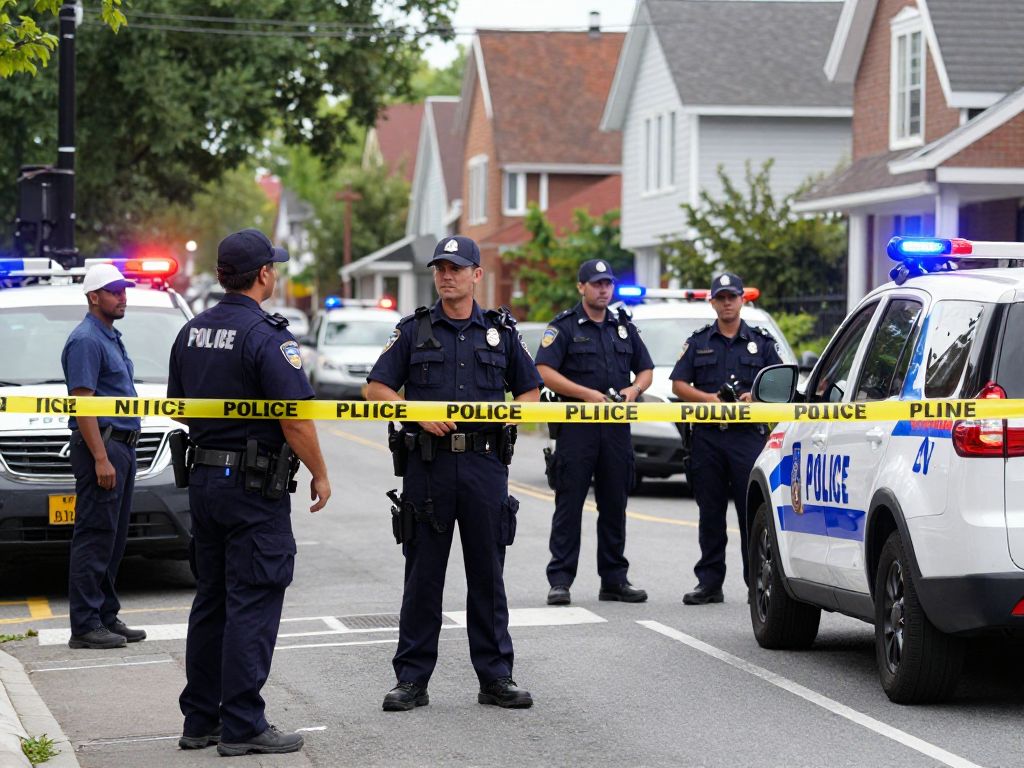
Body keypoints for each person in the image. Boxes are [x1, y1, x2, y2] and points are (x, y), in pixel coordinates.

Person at [167, 228, 331, 757]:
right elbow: (297, 419)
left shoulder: (190, 333)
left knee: (211, 600)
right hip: (254, 489)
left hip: (206, 484)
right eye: (273, 266)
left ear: (219, 275)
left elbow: (178, 408)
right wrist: (321, 473)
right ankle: (242, 724)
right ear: (263, 274)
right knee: (253, 601)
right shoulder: (268, 336)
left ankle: (201, 720)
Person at [366, 235, 542, 712]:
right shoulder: (414, 330)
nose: (447, 275)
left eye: (457, 268)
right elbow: (376, 386)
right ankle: (412, 680)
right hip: (429, 465)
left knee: (488, 574)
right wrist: (414, 413)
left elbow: (530, 390)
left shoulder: (501, 333)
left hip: (485, 465)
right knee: (424, 576)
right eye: (441, 268)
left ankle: (496, 677)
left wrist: (512, 416)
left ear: (476, 276)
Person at [534, 259, 654, 606]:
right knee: (569, 505)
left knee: (614, 506)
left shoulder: (622, 327)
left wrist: (632, 391)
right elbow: (544, 370)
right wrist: (585, 394)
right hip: (577, 429)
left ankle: (614, 580)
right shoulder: (565, 327)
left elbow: (645, 369)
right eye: (596, 284)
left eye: (607, 284)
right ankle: (560, 580)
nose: (603, 289)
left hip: (615, 429)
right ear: (581, 287)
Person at [670, 272, 782, 605]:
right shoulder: (699, 341)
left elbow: (778, 387)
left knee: (751, 515)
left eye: (732, 296)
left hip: (747, 438)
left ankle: (756, 583)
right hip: (708, 439)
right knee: (711, 513)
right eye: (721, 297)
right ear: (713, 302)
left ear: (742, 299)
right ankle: (709, 582)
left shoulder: (761, 343)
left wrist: (754, 399)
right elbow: (678, 384)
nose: (727, 303)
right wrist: (709, 401)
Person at [61, 263, 148, 650]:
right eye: (114, 291)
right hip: (104, 445)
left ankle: (105, 616)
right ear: (94, 296)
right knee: (95, 536)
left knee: (113, 539)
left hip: (122, 445)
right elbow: (84, 405)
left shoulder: (110, 336)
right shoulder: (86, 340)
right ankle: (84, 625)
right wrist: (100, 457)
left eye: (124, 290)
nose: (122, 296)